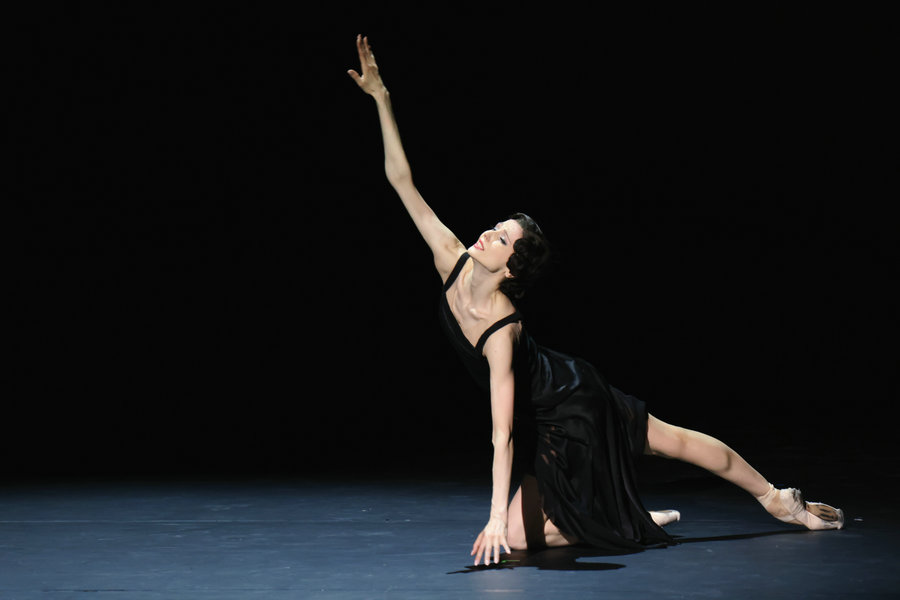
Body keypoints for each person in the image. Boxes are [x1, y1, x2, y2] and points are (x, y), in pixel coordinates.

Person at [347, 35, 844, 567]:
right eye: (495, 227)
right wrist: (382, 99)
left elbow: (502, 432)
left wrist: (493, 517)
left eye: (501, 237)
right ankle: (624, 516)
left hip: (573, 404)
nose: (487, 233)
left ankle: (776, 499)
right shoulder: (451, 257)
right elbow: (401, 180)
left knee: (664, 444)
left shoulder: (501, 329)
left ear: (511, 268)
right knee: (539, 528)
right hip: (553, 403)